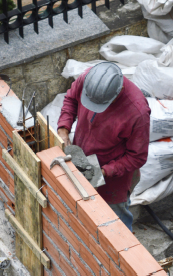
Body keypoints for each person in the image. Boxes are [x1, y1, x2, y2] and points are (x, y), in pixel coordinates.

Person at [57, 62, 150, 231]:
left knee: (116, 227)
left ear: (119, 91)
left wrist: (104, 172)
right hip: (83, 158)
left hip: (113, 181)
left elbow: (137, 156)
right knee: (88, 215)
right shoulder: (88, 80)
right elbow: (71, 99)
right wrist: (63, 129)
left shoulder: (137, 112)